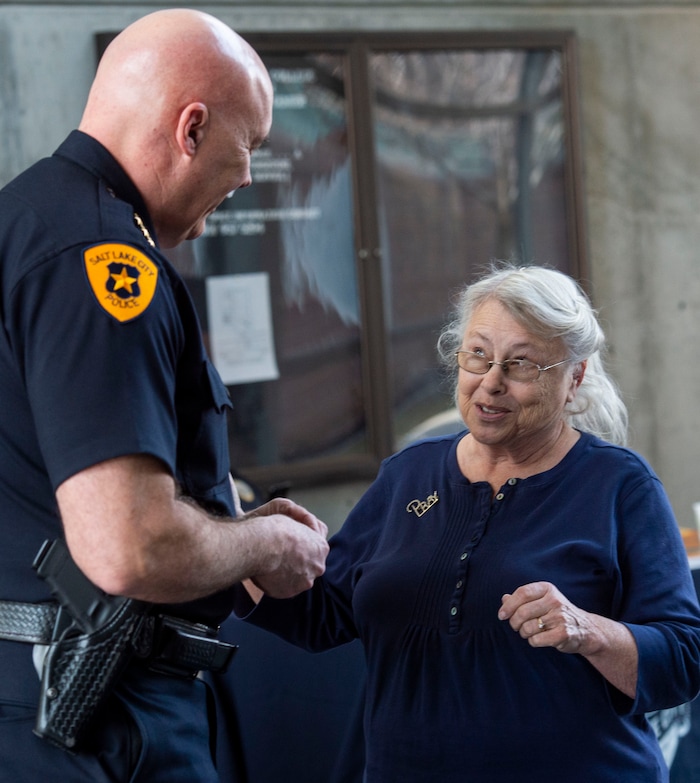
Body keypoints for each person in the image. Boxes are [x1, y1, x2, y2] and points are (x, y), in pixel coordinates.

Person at [0, 9, 328, 783]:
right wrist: (265, 545)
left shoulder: (24, 221)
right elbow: (130, 546)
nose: (248, 176)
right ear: (191, 128)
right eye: (246, 144)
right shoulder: (106, 261)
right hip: (96, 716)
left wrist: (227, 523)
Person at [240, 263, 700, 782]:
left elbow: (684, 659)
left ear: (575, 378)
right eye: (478, 355)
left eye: (521, 365)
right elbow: (321, 615)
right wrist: (245, 544)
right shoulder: (407, 475)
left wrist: (587, 630)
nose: (491, 383)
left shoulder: (620, 486)